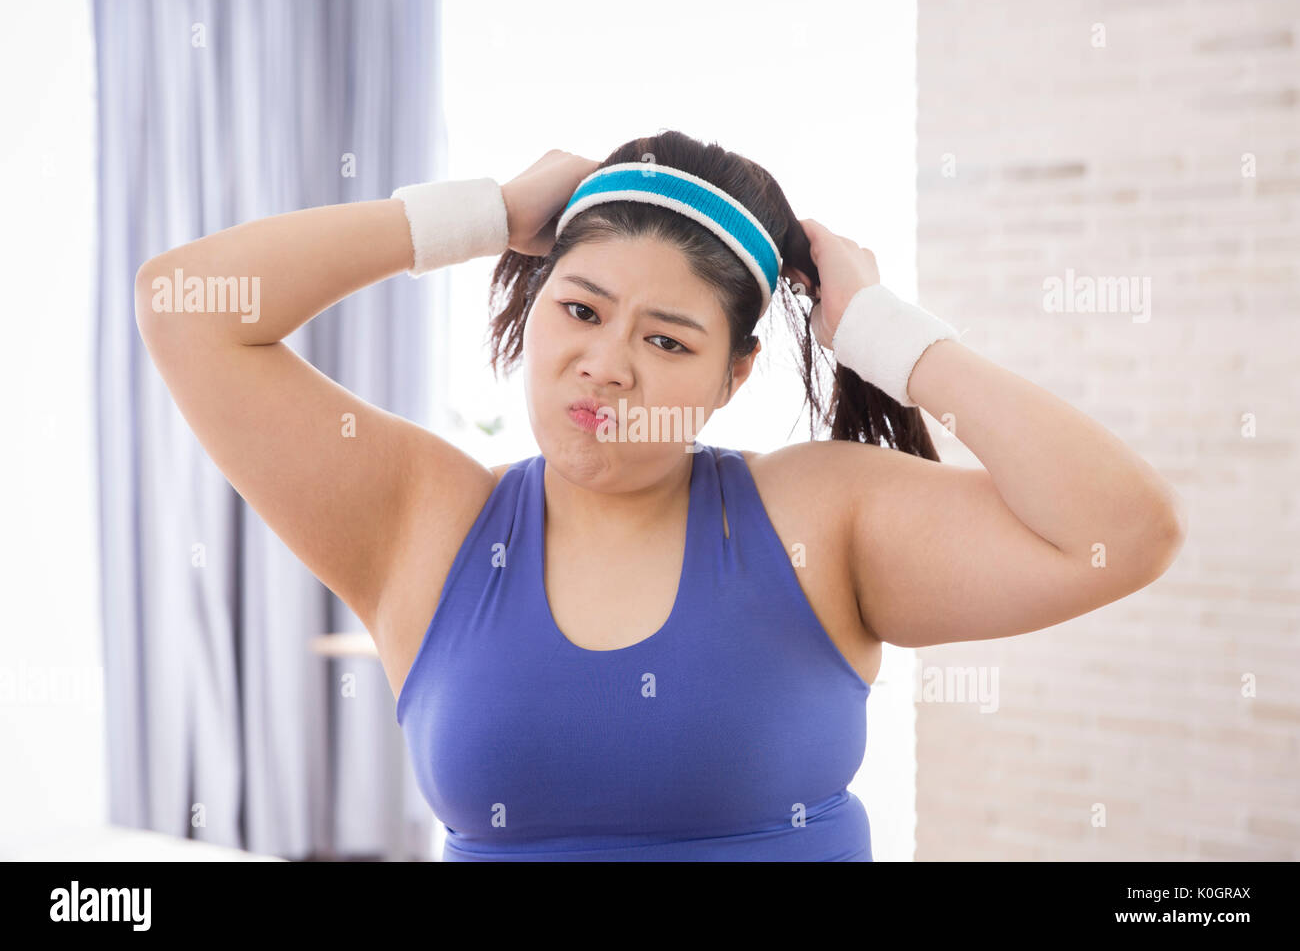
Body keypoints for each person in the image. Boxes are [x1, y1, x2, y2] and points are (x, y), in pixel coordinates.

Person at [135, 129, 1187, 861]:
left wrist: (883, 332)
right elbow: (186, 307)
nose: (605, 364)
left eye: (667, 338)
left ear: (733, 375)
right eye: (582, 309)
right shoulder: (425, 519)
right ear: (533, 302)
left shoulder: (817, 517)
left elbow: (1121, 532)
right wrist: (481, 213)